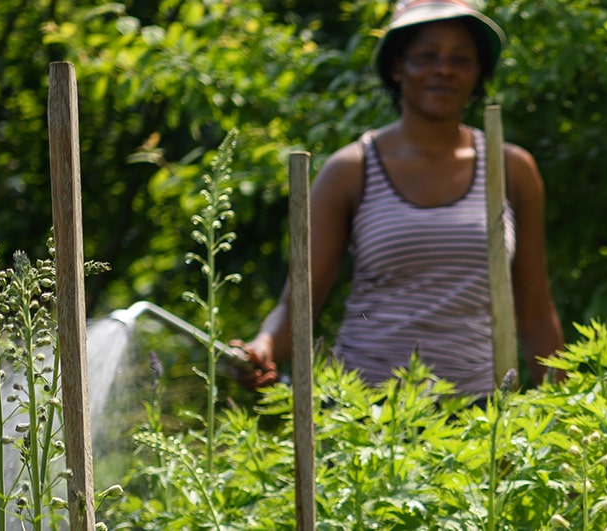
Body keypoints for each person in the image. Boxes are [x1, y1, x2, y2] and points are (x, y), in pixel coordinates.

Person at [234, 0, 565, 396]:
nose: (443, 69)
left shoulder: (511, 168)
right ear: (396, 66)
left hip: (478, 420)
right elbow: (297, 307)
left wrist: (564, 410)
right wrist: (262, 347)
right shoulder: (351, 169)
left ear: (479, 72)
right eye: (426, 56)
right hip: (367, 418)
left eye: (461, 59)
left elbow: (535, 314)